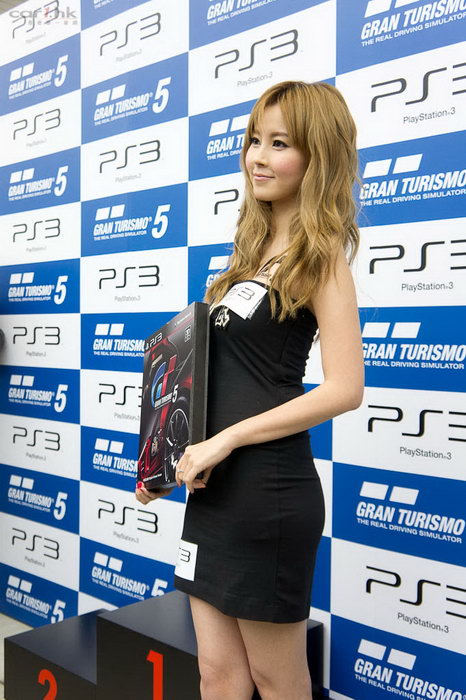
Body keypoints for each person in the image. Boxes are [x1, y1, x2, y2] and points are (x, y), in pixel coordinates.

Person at [136, 80, 364, 700]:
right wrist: (167, 461)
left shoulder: (321, 259)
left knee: (277, 680)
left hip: (269, 494)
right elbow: (213, 379)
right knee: (218, 674)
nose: (257, 157)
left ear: (318, 157)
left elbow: (346, 389)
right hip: (214, 490)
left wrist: (226, 441)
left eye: (279, 144)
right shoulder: (248, 256)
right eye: (255, 141)